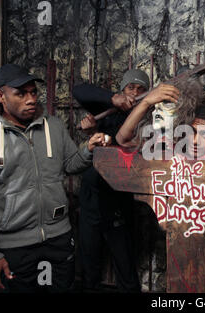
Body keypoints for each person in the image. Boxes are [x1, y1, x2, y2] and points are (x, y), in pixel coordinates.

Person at [0, 64, 109, 292]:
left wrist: (88, 149)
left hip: (58, 239)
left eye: (33, 92)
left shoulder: (52, 126)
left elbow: (70, 164)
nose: (31, 99)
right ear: (0, 96)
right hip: (13, 247)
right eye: (21, 93)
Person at [73, 69, 150, 292]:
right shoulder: (108, 109)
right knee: (90, 268)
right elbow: (79, 90)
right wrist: (111, 100)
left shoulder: (147, 119)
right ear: (122, 90)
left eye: (141, 89)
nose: (135, 94)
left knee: (126, 269)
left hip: (118, 201)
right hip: (91, 198)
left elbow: (124, 147)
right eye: (130, 88)